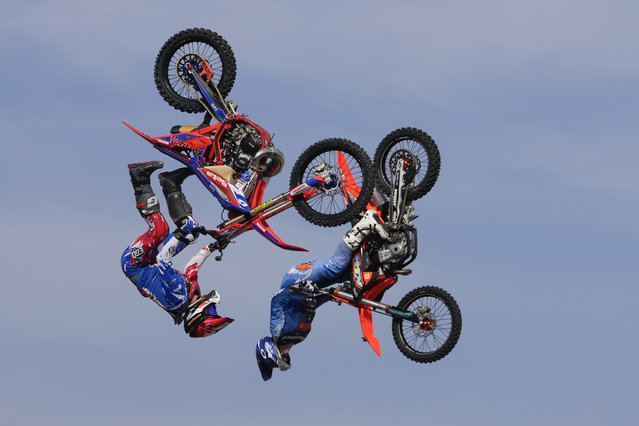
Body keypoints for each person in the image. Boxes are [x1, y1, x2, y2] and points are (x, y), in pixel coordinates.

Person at [256, 209, 389, 380]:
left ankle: (366, 224)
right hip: (310, 290)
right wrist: (332, 296)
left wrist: (296, 287)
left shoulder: (277, 331)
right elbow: (310, 306)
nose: (282, 360)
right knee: (354, 275)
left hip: (295, 279)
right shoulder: (299, 337)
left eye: (274, 362)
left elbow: (276, 300)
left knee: (336, 266)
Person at [120, 161, 233, 337]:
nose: (212, 307)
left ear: (198, 316)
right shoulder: (190, 296)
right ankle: (170, 183)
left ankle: (139, 179)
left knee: (160, 230)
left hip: (135, 264)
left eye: (211, 313)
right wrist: (213, 246)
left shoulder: (178, 298)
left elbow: (163, 259)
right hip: (151, 263)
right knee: (191, 229)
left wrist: (178, 237)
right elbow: (191, 268)